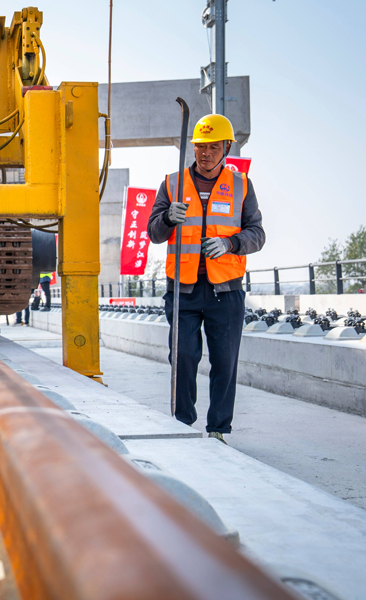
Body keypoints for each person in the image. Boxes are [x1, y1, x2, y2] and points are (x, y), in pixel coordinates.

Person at [146, 114, 264, 444]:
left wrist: (230, 243)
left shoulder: (242, 185)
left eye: (213, 147)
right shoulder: (171, 184)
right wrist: (168, 217)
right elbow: (153, 233)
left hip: (225, 291)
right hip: (182, 290)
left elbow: (257, 233)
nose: (206, 153)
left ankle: (218, 429)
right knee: (182, 358)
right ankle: (182, 423)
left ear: (226, 147)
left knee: (225, 362)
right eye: (200, 146)